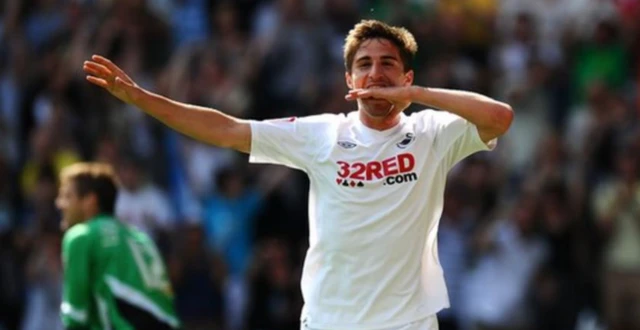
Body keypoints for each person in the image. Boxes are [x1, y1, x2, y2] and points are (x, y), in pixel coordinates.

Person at [83, 19, 513, 330]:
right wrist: (142, 99)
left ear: (407, 76)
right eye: (364, 64)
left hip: (409, 322)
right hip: (329, 320)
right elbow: (226, 129)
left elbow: (499, 116)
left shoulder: (431, 132)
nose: (376, 73)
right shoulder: (322, 133)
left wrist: (416, 97)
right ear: (349, 78)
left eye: (388, 64)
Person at [55, 162, 180, 330]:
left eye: (67, 196)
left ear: (90, 201)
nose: (59, 203)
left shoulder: (81, 235)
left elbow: (75, 317)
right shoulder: (140, 237)